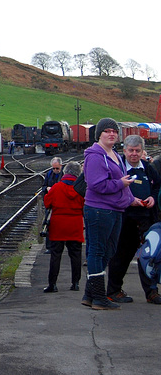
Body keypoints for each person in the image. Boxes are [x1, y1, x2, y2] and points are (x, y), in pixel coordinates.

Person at [82, 118, 135, 310]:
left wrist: (132, 199)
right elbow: (96, 184)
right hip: (99, 209)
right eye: (107, 131)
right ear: (99, 135)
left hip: (115, 209)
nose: (111, 134)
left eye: (114, 131)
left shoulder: (114, 154)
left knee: (109, 250)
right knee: (97, 251)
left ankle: (89, 295)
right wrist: (121, 184)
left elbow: (123, 181)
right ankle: (98, 297)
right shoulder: (95, 156)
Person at [106, 135, 161, 304]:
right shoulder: (118, 168)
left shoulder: (148, 168)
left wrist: (152, 198)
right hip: (125, 218)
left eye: (138, 151)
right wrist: (130, 200)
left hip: (146, 218)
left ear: (142, 151)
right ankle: (114, 290)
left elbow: (157, 185)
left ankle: (151, 291)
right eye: (131, 151)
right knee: (121, 255)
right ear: (125, 150)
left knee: (150, 254)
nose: (134, 154)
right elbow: (111, 189)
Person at [43, 161, 85, 293]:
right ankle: (76, 283)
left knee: (55, 254)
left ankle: (52, 284)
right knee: (76, 254)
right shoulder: (81, 189)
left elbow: (47, 203)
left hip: (58, 223)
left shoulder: (56, 187)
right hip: (75, 223)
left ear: (65, 172)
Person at [42, 157, 63, 253]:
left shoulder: (64, 175)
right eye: (53, 168)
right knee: (49, 224)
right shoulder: (49, 174)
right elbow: (43, 186)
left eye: (57, 168)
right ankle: (49, 247)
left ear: (61, 166)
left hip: (61, 203)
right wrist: (46, 189)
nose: (55, 170)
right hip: (51, 203)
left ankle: (61, 244)